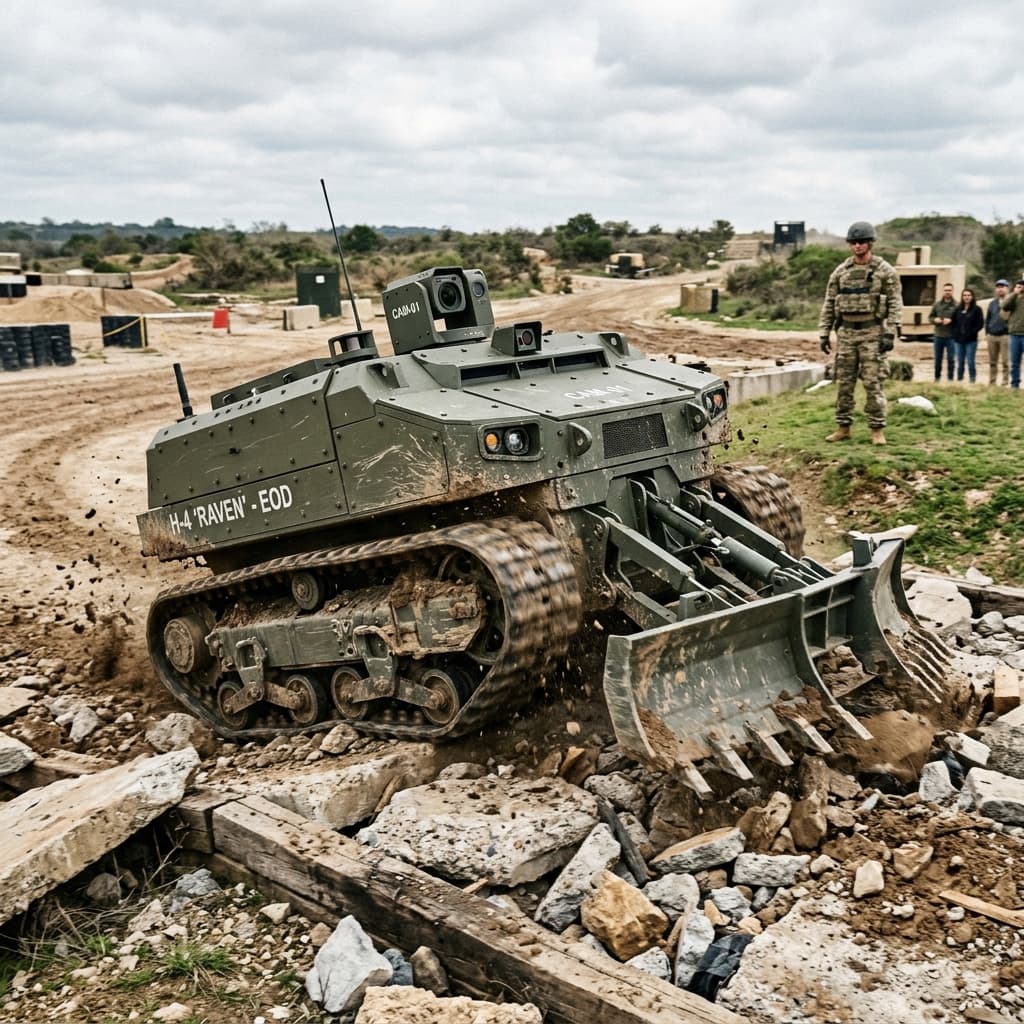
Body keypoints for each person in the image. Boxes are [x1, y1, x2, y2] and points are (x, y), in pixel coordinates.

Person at [818, 221, 901, 445]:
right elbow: (829, 303)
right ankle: (843, 427)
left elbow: (895, 302)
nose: (857, 246)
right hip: (846, 334)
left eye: (862, 242)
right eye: (854, 242)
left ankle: (877, 429)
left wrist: (889, 332)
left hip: (872, 333)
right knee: (844, 383)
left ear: (870, 243)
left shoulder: (884, 270)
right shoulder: (841, 272)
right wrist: (824, 333)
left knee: (873, 383)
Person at [952, 287, 983, 383]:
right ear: (962, 297)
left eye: (969, 295)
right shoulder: (957, 309)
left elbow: (980, 324)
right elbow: (953, 322)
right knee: (960, 362)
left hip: (971, 340)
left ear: (972, 297)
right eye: (964, 295)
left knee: (970, 362)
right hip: (959, 340)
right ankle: (959, 380)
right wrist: (956, 333)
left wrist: (971, 333)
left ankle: (972, 380)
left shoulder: (977, 309)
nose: (966, 297)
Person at [929, 283, 957, 381]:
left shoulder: (957, 305)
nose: (947, 292)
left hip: (951, 336)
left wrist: (951, 320)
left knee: (951, 359)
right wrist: (934, 320)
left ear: (952, 291)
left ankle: (950, 379)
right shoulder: (937, 304)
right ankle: (937, 378)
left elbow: (961, 320)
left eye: (949, 290)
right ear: (943, 291)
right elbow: (930, 317)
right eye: (946, 290)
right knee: (938, 359)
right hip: (939, 336)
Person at [985, 279, 1011, 385]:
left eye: (1002, 287)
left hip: (1005, 335)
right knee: (992, 362)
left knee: (1005, 361)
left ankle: (1005, 381)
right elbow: (988, 319)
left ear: (1007, 289)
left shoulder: (1011, 302)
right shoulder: (992, 303)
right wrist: (987, 332)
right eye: (998, 287)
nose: (1000, 289)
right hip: (992, 335)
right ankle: (992, 382)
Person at [1001, 278, 1024, 389]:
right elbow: (1004, 306)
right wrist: (1015, 293)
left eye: (1022, 286)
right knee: (1015, 363)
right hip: (1014, 334)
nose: (1021, 288)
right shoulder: (1014, 298)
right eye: (1018, 286)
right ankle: (1015, 385)